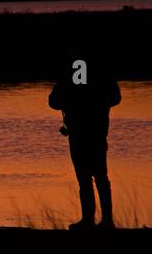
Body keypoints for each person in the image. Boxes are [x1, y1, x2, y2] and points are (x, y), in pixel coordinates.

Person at [48, 62, 121, 230]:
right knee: (94, 176)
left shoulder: (73, 72)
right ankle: (98, 220)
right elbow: (115, 98)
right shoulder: (101, 72)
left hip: (82, 133)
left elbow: (54, 101)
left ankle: (97, 220)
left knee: (89, 177)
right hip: (93, 132)